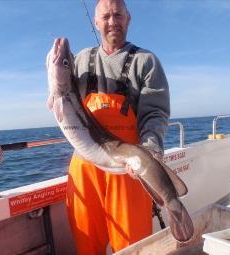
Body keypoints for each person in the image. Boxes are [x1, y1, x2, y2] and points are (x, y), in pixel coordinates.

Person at [65, 0, 170, 254]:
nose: (113, 22)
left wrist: (149, 152)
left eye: (118, 15)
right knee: (86, 242)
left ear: (128, 18)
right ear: (96, 21)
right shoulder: (80, 60)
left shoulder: (146, 61)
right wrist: (61, 64)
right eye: (107, 16)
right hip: (85, 165)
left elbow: (155, 114)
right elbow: (65, 99)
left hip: (129, 169)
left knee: (132, 245)